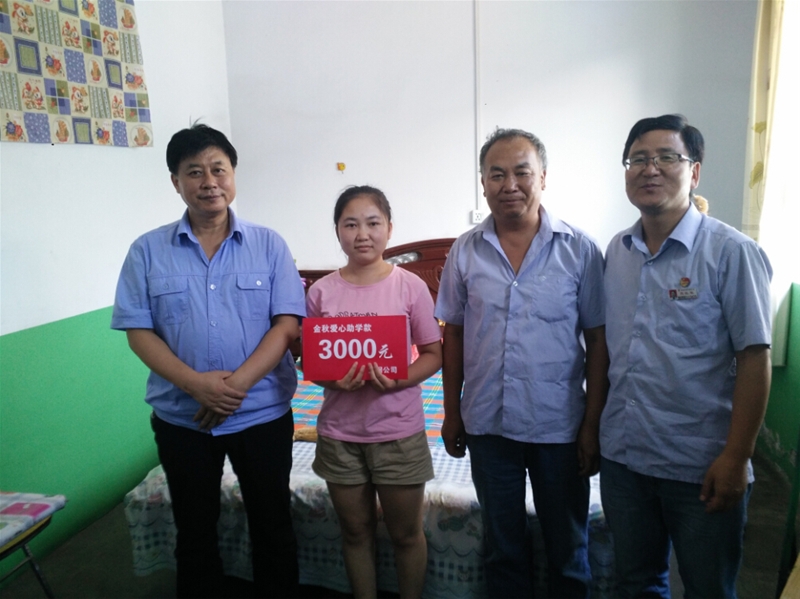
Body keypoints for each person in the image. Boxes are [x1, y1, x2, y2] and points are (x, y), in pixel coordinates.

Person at [111, 124, 305, 598]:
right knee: (194, 533)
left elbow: (286, 326)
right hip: (183, 418)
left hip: (261, 414)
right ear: (176, 181)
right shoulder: (146, 251)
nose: (209, 181)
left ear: (233, 174)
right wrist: (197, 386)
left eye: (218, 169)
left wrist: (231, 388)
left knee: (273, 528)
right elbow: (139, 332)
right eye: (194, 172)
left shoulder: (270, 245)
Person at [600, 114, 773, 599]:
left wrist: (737, 456)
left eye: (666, 157)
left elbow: (755, 359)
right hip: (625, 459)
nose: (650, 168)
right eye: (638, 159)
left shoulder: (731, 252)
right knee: (635, 583)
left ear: (693, 171)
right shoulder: (618, 251)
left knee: (708, 588)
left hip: (700, 463)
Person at [435, 128, 608, 598]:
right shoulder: (464, 251)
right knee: (503, 549)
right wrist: (452, 412)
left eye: (521, 172)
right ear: (483, 183)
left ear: (543, 178)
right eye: (496, 174)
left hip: (559, 428)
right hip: (488, 426)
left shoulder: (580, 250)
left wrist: (592, 425)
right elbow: (453, 334)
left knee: (568, 549)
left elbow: (598, 341)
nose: (509, 184)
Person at [305, 185, 442, 599]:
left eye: (372, 223)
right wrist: (333, 380)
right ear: (337, 231)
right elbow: (311, 362)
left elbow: (433, 354)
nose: (362, 234)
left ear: (389, 229)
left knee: (406, 535)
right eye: (350, 224)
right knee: (355, 532)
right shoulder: (320, 292)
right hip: (340, 434)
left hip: (398, 432)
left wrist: (401, 379)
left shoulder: (411, 286)